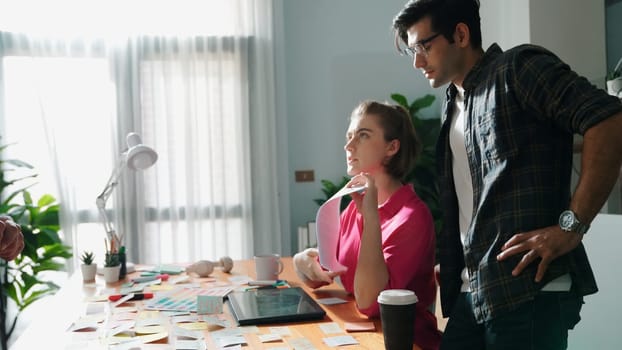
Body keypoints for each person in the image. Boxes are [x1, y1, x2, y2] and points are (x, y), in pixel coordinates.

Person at [392, 0, 622, 349]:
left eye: (424, 45)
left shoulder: (518, 68)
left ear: (461, 33)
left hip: (529, 289)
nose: (417, 61)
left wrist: (571, 227)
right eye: (412, 50)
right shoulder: (452, 102)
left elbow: (608, 120)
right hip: (475, 290)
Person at [294, 100, 441, 350]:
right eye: (349, 136)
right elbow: (318, 273)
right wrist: (303, 262)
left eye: (362, 135)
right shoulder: (353, 207)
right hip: (362, 336)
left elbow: (368, 301)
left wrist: (370, 217)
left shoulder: (412, 216)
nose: (348, 146)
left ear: (392, 147)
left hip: (406, 342)